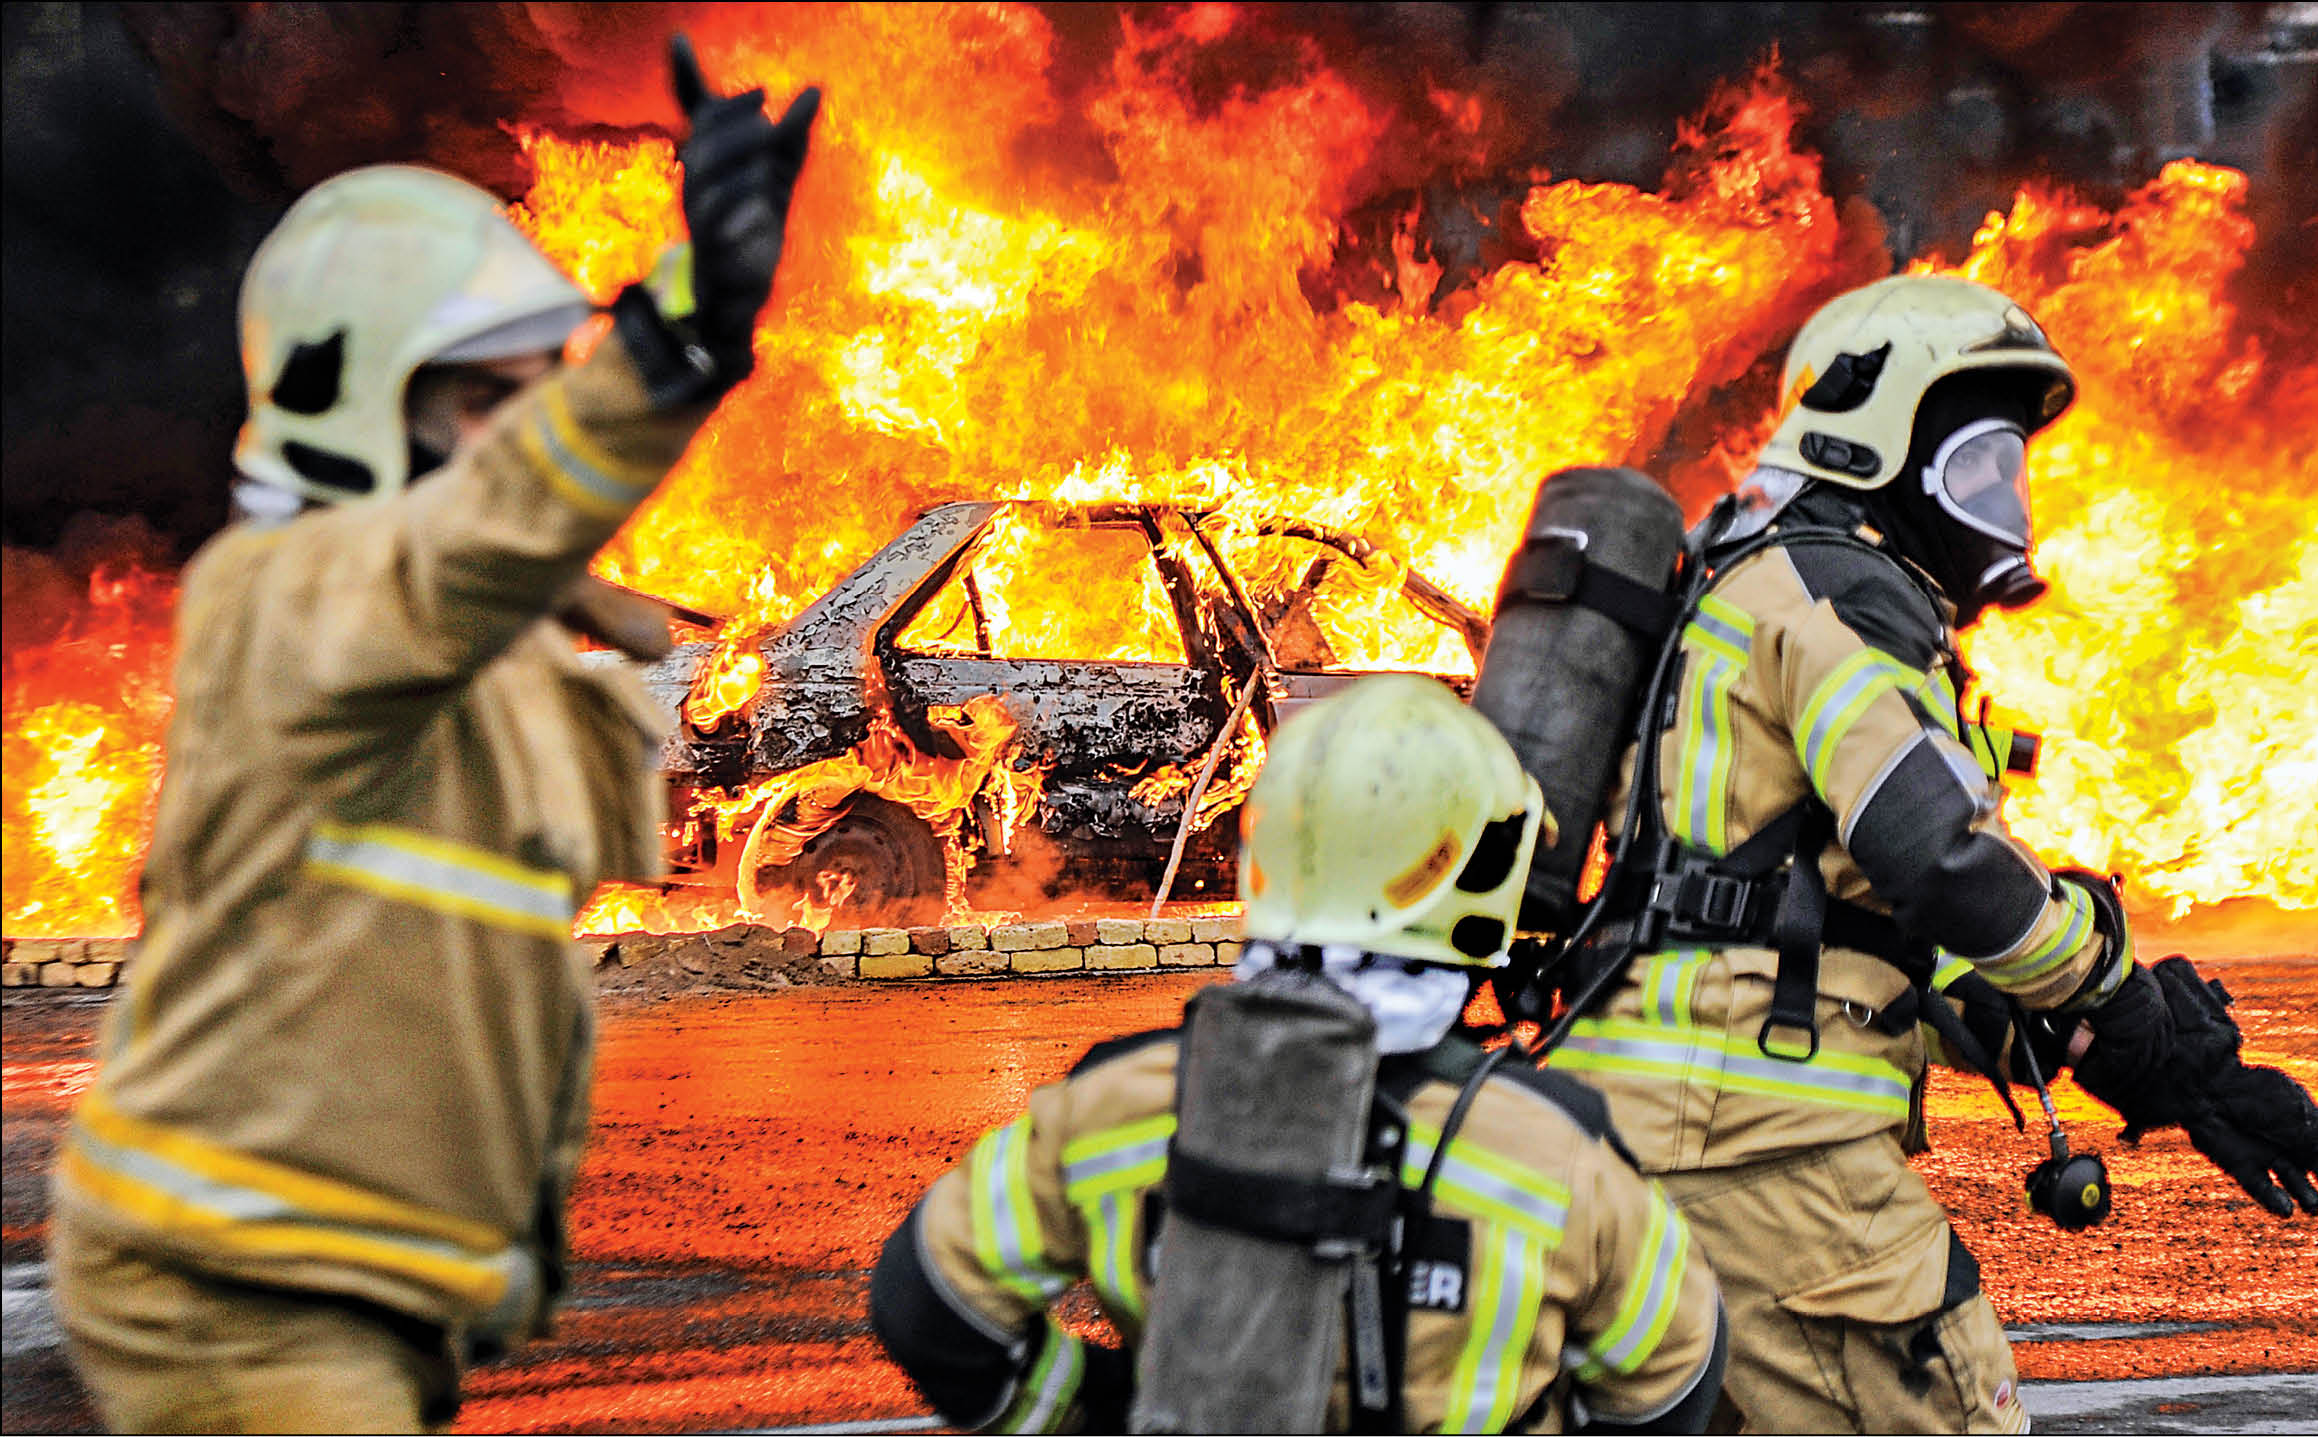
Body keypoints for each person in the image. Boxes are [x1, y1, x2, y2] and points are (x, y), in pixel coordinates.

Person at [46, 38, 821, 1434]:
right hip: (237, 1286)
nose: (525, 435)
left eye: (540, 389)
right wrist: (682, 337)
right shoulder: (277, 603)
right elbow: (475, 540)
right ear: (352, 407)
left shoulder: (475, 652)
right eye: (484, 401)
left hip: (357, 1291)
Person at [1540, 273, 2318, 1433]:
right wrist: (2110, 983)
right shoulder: (1835, 595)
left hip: (1648, 1126)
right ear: (1874, 443)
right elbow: (1937, 854)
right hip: (1774, 1161)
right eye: (1974, 464)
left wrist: (2167, 1073)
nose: (2000, 501)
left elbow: (1833, 916)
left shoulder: (1738, 584)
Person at [868, 675, 1727, 1434]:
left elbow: (927, 1300)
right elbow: (1673, 1374)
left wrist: (1094, 1409)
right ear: (1482, 877)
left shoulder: (1115, 1109)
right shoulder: (1555, 1156)